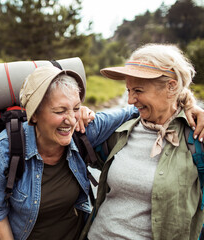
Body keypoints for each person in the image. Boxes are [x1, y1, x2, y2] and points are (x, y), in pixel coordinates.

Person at [0, 65, 142, 240]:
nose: (71, 120)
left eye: (75, 108)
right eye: (60, 111)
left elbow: (133, 111)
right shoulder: (3, 149)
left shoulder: (83, 131)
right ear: (34, 115)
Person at [80, 43, 204, 240]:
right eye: (128, 90)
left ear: (171, 87)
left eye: (138, 90)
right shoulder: (120, 129)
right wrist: (78, 113)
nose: (130, 100)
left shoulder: (197, 137)